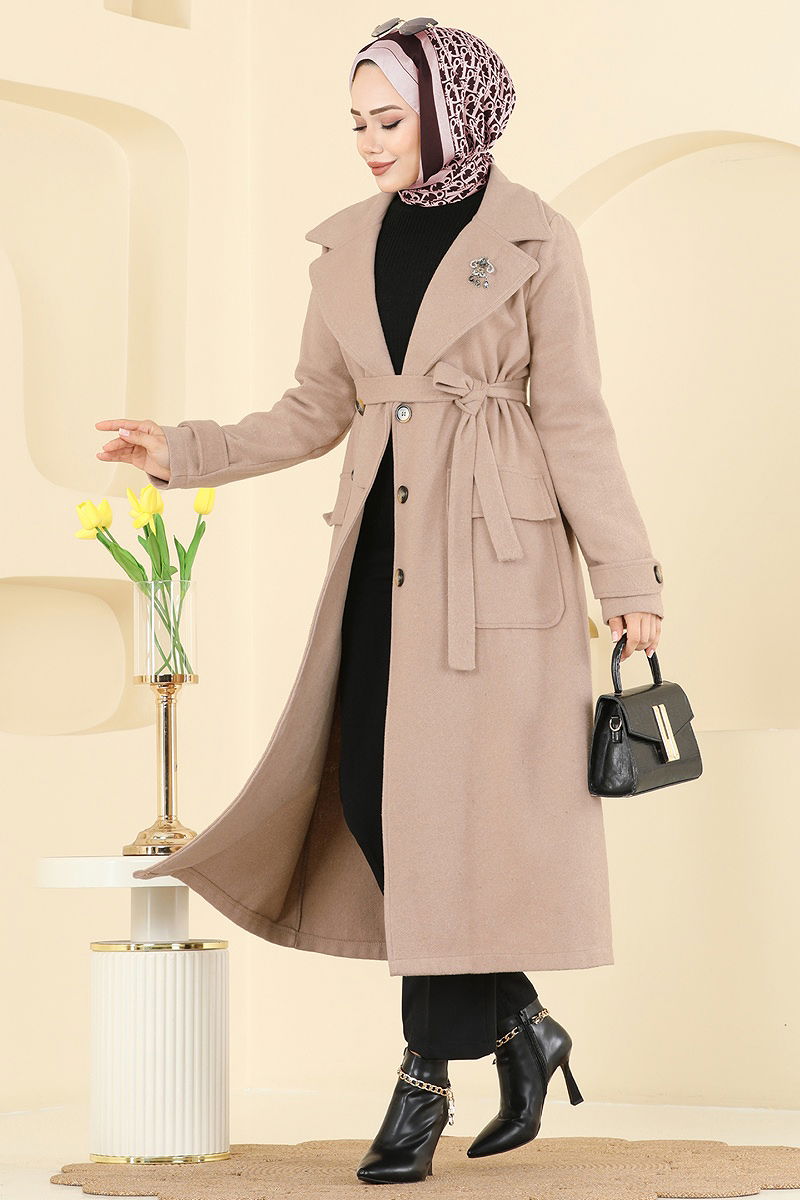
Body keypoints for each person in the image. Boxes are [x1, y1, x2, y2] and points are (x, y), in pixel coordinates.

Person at [97, 17, 662, 1186]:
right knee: (374, 796)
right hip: (379, 557)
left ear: (450, 115)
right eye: (355, 121)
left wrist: (626, 581)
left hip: (495, 562)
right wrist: (183, 450)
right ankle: (519, 1024)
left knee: (450, 826)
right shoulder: (345, 247)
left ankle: (423, 1077)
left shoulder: (534, 238)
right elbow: (313, 408)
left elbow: (573, 416)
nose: (366, 142)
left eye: (388, 119)